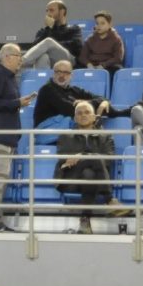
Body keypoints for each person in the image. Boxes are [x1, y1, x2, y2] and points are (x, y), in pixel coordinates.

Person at [0, 44, 33, 233]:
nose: (21, 59)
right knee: (0, 176)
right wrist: (17, 103)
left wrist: (17, 103)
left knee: (2, 178)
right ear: (7, 57)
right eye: (18, 55)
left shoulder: (9, 79)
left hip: (7, 137)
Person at [56, 101, 126, 235]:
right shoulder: (66, 136)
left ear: (94, 117)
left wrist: (82, 156)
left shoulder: (105, 136)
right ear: (75, 118)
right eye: (79, 113)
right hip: (71, 178)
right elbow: (63, 159)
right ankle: (109, 200)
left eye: (87, 112)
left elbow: (108, 160)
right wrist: (85, 157)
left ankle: (85, 220)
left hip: (95, 179)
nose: (83, 115)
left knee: (89, 174)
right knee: (92, 161)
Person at [33, 60, 109, 141]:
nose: (62, 75)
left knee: (85, 116)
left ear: (71, 75)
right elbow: (69, 109)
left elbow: (100, 98)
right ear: (53, 74)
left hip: (65, 134)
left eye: (66, 72)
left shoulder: (74, 90)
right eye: (58, 72)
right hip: (44, 133)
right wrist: (91, 107)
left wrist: (103, 102)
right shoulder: (47, 89)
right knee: (80, 117)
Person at [22, 0, 83, 69]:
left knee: (49, 41)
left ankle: (20, 62)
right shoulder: (43, 31)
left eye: (51, 10)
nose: (48, 14)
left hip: (68, 61)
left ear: (62, 12)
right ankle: (43, 79)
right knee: (42, 57)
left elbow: (76, 46)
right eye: (47, 11)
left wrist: (52, 45)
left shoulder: (74, 29)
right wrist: (48, 28)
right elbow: (34, 48)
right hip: (50, 60)